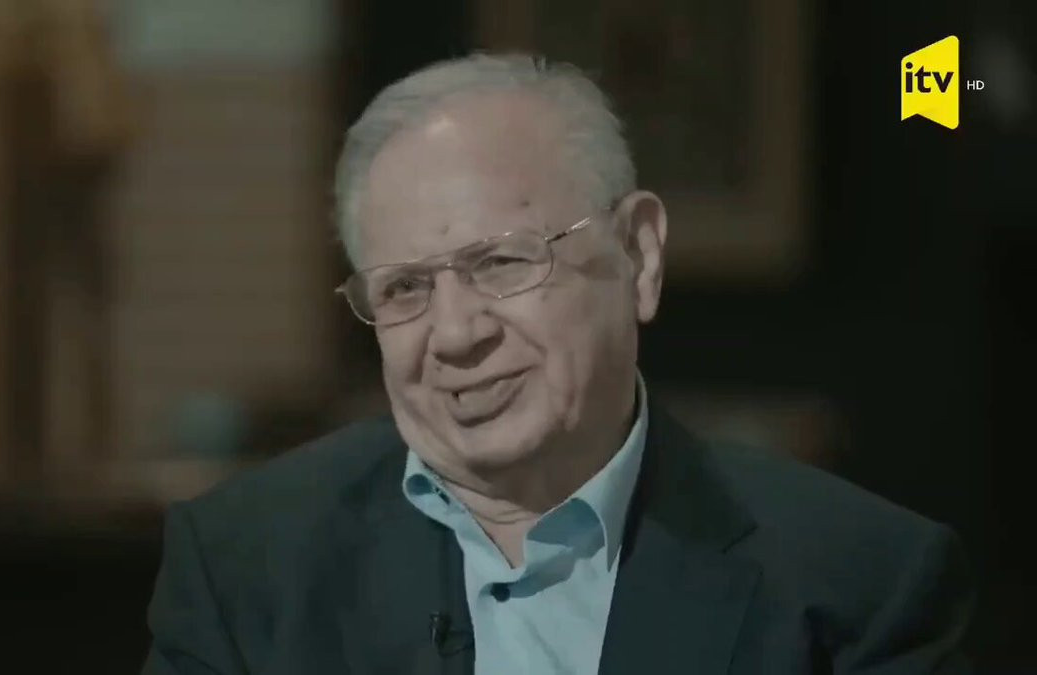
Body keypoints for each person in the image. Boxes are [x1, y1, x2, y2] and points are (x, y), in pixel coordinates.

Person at [142, 53, 975, 675]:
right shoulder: (243, 567)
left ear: (639, 256)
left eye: (501, 262)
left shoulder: (859, 585)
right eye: (404, 288)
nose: (455, 333)